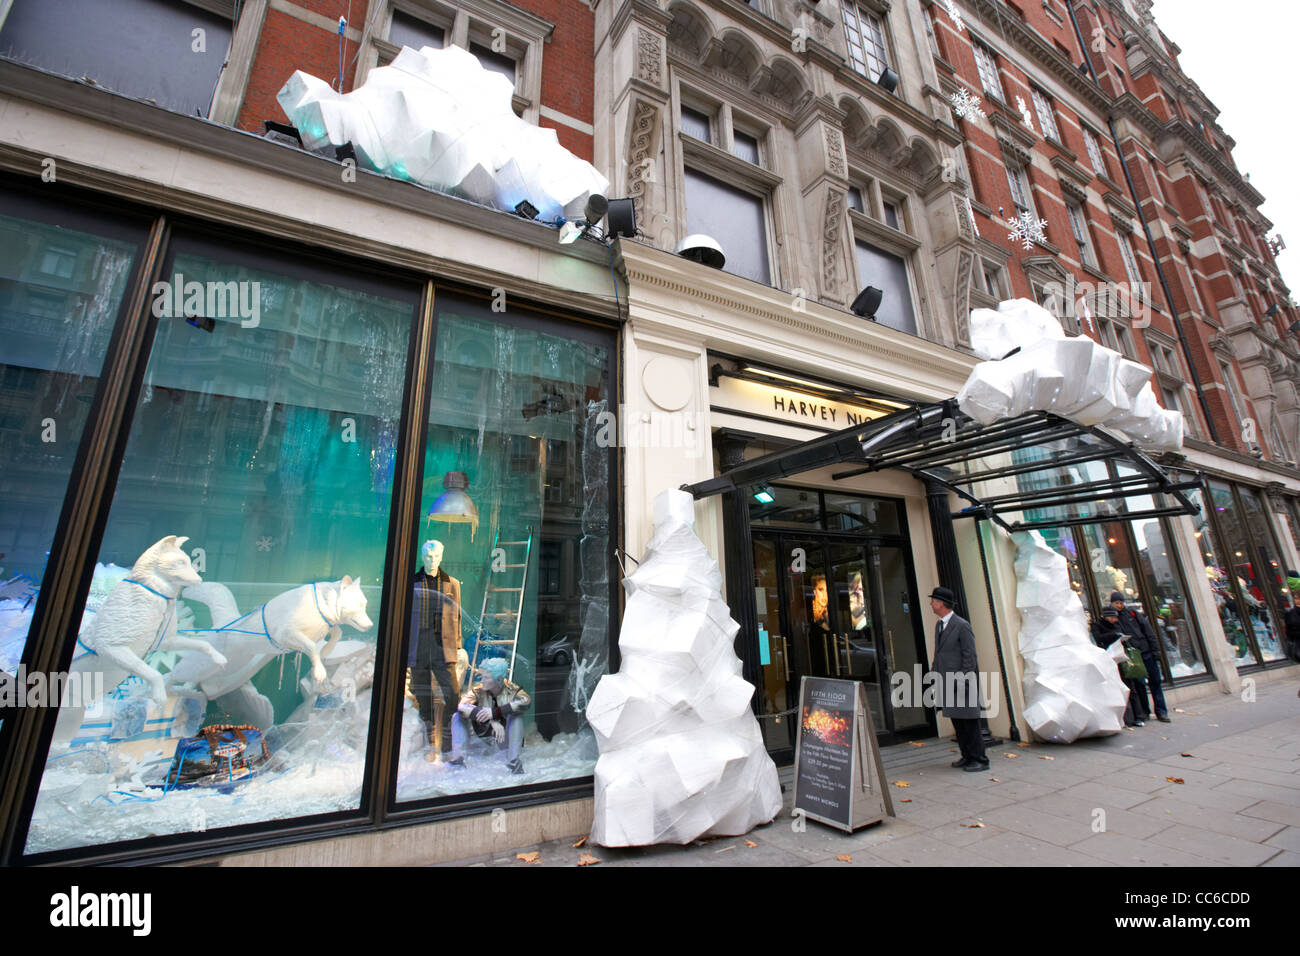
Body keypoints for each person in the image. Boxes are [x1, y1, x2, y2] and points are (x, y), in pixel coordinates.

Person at [408, 540, 463, 762]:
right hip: (419, 643)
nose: (432, 560)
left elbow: (457, 615)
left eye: (436, 556)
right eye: (429, 556)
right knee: (423, 694)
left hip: (443, 645)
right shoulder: (411, 582)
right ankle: (430, 740)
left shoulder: (452, 583)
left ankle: (448, 739)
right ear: (423, 557)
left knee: (453, 693)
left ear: (442, 556)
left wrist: (457, 645)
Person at [928, 586, 987, 772]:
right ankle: (967, 756)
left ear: (941, 604)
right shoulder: (939, 625)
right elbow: (939, 653)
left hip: (961, 684)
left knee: (970, 723)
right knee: (958, 722)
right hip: (946, 682)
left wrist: (960, 680)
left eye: (933, 601)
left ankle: (980, 759)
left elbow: (970, 657)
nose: (931, 604)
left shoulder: (962, 625)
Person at [451, 657, 532, 773]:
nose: (482, 680)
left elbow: (526, 701)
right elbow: (461, 706)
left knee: (516, 716)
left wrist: (496, 712)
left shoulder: (512, 690)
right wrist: (491, 719)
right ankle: (458, 760)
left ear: (498, 679)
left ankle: (513, 762)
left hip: (504, 741)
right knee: (457, 716)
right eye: (482, 677)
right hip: (483, 740)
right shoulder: (479, 691)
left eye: (486, 677)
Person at [1111, 591, 1169, 723]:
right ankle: (1145, 711)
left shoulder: (1134, 614)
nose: (1119, 605)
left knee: (1155, 682)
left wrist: (1155, 650)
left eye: (1120, 602)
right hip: (1133, 655)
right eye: (1116, 603)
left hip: (1146, 651)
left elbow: (1148, 631)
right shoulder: (1115, 619)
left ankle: (1161, 712)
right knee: (1140, 684)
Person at [1091, 606, 1146, 727]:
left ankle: (1138, 716)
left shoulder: (1117, 625)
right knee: (1116, 689)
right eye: (1113, 617)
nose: (1115, 619)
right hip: (1108, 661)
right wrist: (1114, 634)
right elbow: (1098, 638)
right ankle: (1125, 718)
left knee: (1130, 687)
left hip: (1121, 661)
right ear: (1106, 616)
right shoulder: (1098, 626)